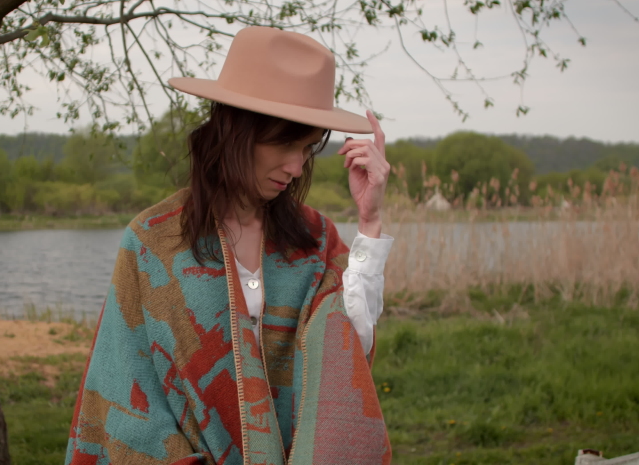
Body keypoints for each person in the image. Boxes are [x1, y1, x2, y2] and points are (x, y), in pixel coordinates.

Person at [65, 26, 394, 465]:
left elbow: (348, 350)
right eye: (284, 144)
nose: (296, 167)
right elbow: (124, 386)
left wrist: (369, 223)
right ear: (237, 131)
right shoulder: (153, 241)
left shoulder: (314, 240)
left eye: (307, 149)